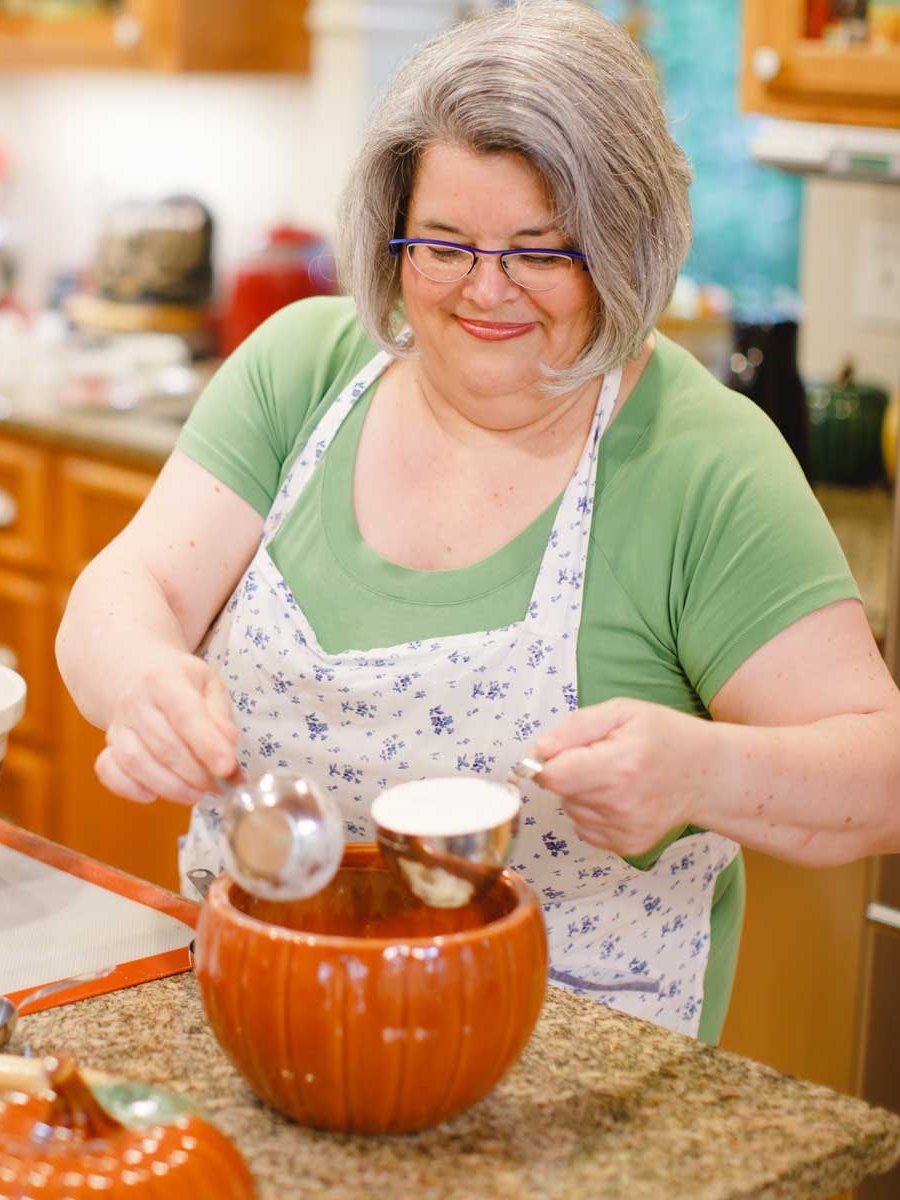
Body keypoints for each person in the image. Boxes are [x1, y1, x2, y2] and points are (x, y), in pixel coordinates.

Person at [57, 0, 900, 1043]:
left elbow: (884, 772)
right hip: (253, 1024)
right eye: (444, 245)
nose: (484, 292)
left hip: (564, 1096)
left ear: (624, 245)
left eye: (541, 253)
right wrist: (139, 683)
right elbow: (121, 593)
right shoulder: (303, 369)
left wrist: (702, 773)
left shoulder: (700, 462)